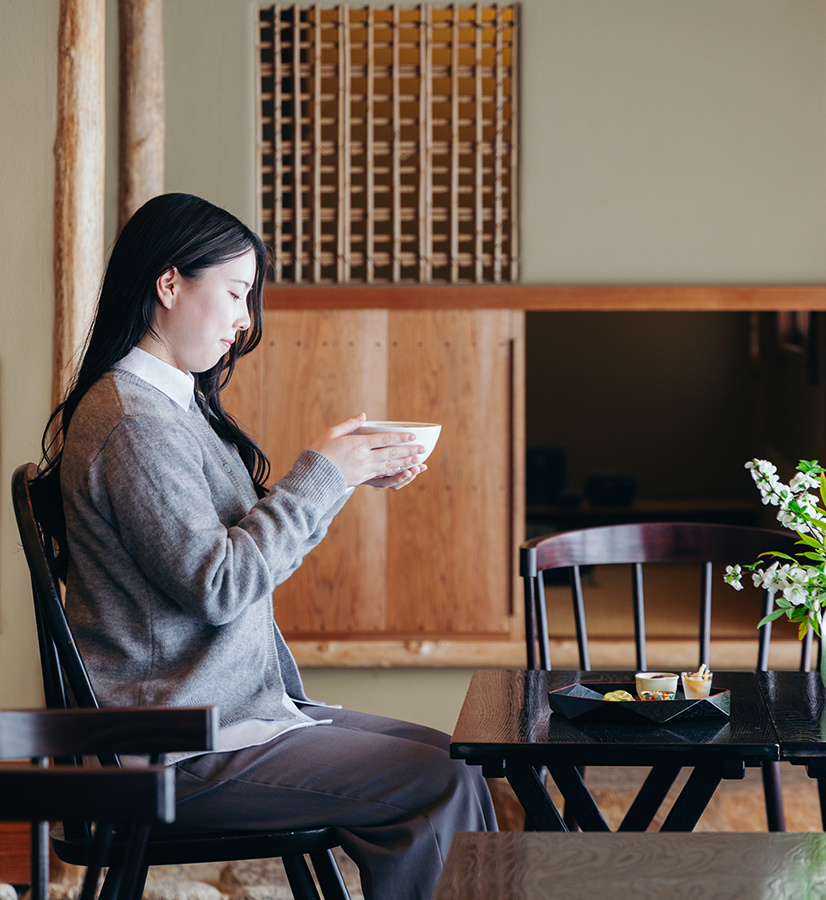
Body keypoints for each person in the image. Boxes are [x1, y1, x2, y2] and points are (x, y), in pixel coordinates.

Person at [36, 193, 497, 900]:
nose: (245, 319)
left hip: (220, 715)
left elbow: (239, 554)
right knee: (442, 777)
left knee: (450, 758)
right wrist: (322, 477)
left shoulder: (170, 405)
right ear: (169, 285)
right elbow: (219, 586)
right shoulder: (134, 421)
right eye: (235, 292)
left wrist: (343, 479)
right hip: (172, 746)